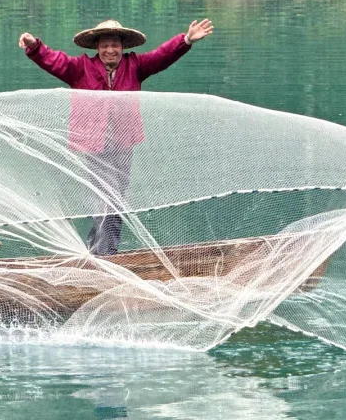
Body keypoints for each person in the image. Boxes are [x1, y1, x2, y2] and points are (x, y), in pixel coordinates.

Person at [19, 17, 214, 255]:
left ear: (123, 47)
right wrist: (35, 47)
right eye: (105, 45)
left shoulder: (136, 66)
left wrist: (185, 40)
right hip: (92, 145)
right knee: (103, 201)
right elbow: (55, 61)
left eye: (115, 45)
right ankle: (106, 255)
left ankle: (98, 251)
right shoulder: (80, 69)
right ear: (97, 48)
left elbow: (161, 56)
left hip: (122, 144)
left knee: (114, 201)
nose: (110, 50)